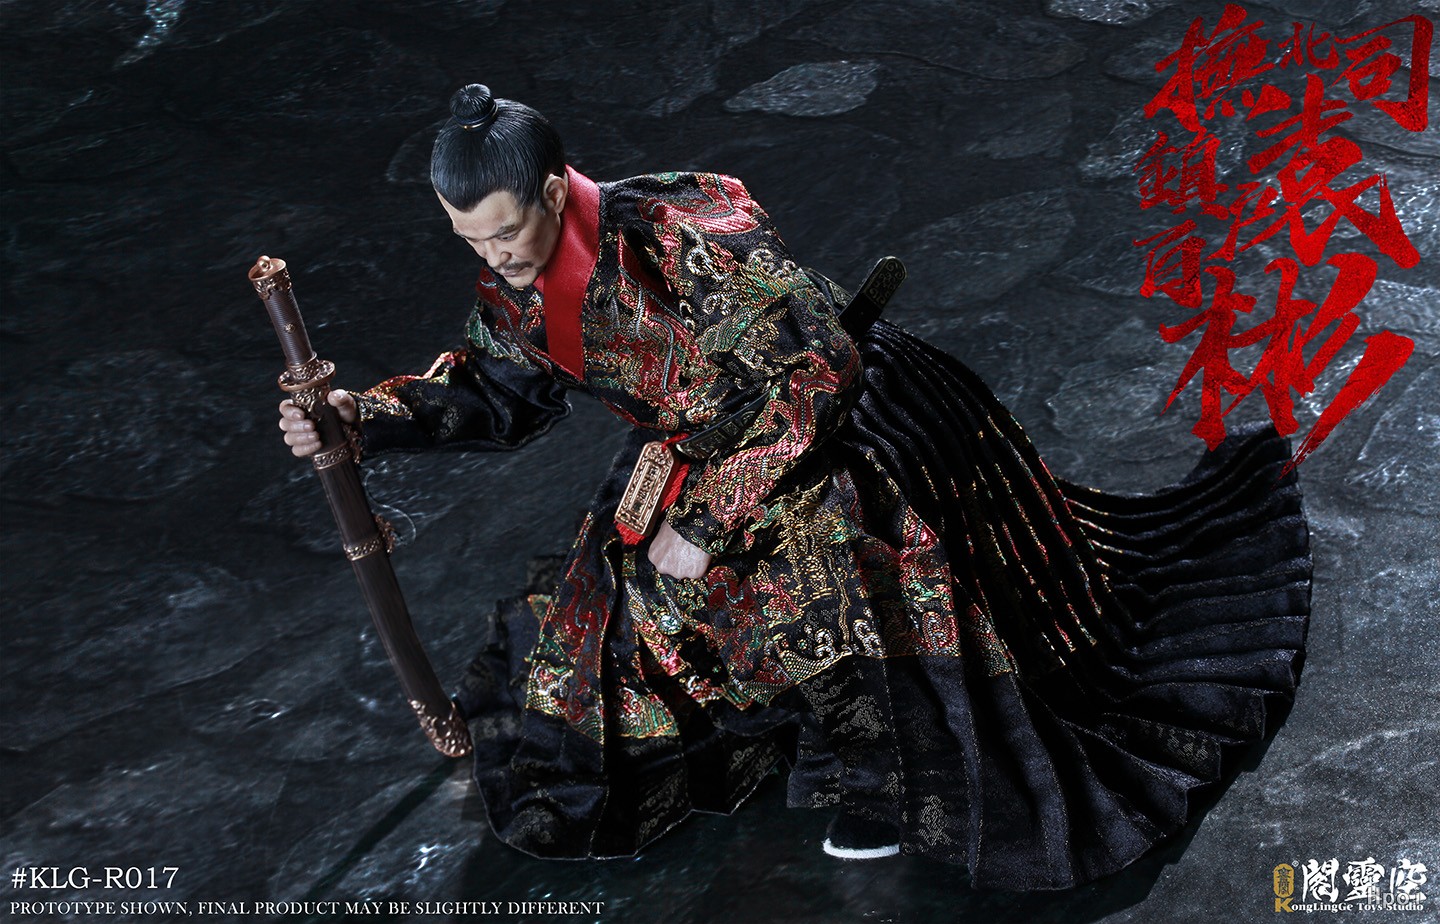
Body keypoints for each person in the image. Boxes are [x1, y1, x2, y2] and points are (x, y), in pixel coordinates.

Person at [277, 85, 1311, 889]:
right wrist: (365, 417)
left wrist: (707, 518)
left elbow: (817, 370)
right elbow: (499, 391)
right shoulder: (519, 282)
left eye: (505, 231)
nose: (495, 257)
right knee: (595, 646)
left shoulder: (681, 232)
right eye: (470, 241)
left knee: (821, 573)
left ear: (553, 189)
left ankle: (880, 774)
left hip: (838, 426)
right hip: (700, 449)